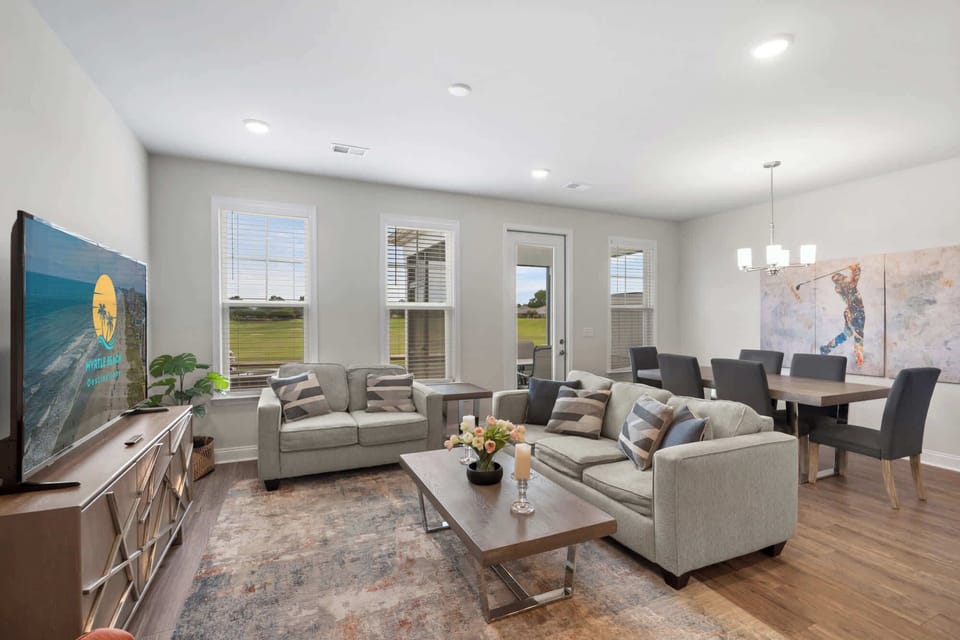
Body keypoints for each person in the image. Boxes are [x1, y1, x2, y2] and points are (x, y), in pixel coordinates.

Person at [820, 263, 865, 366]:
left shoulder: (839, 289)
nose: (845, 279)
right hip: (856, 313)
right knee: (858, 336)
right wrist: (855, 269)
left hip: (849, 312)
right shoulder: (849, 287)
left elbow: (852, 280)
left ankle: (827, 348)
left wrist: (853, 271)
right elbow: (855, 279)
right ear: (841, 281)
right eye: (842, 278)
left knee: (847, 334)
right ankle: (860, 361)